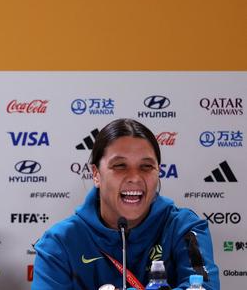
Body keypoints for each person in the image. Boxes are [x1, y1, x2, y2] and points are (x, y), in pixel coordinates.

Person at [31, 118, 219, 290]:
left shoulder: (185, 228)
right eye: (120, 166)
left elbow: (204, 287)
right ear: (96, 174)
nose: (135, 178)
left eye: (146, 166)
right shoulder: (58, 243)